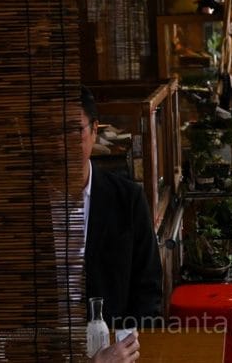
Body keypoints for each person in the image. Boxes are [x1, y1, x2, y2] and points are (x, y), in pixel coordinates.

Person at [79, 86, 162, 360]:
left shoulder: (127, 199)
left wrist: (127, 345)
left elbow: (148, 286)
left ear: (94, 130)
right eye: (53, 132)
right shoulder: (30, 207)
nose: (62, 142)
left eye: (74, 130)